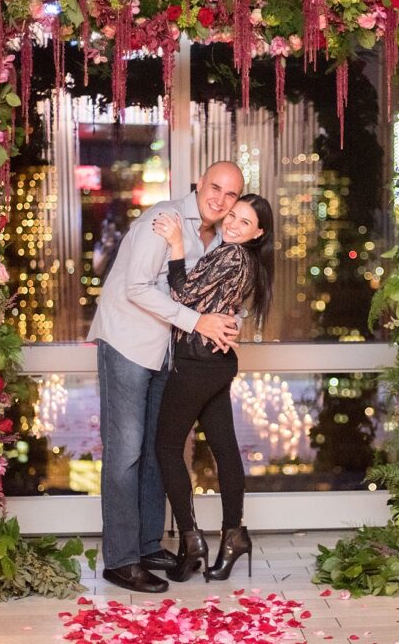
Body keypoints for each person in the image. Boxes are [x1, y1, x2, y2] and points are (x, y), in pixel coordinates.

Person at [87, 161, 245, 593]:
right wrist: (197, 322)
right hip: (126, 341)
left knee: (159, 450)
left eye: (231, 195)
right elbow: (137, 287)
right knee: (126, 452)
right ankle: (121, 560)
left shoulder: (218, 239)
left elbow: (211, 296)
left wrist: (227, 322)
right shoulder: (166, 219)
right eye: (215, 188)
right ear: (200, 184)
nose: (220, 199)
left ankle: (146, 544)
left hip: (165, 353)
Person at [151, 194, 274, 582]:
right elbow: (215, 303)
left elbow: (182, 296)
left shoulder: (232, 255)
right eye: (232, 216)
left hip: (198, 363)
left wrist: (175, 245)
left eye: (244, 222)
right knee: (223, 447)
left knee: (166, 446)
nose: (233, 224)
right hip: (215, 363)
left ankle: (191, 540)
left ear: (259, 233)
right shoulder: (242, 258)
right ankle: (234, 535)